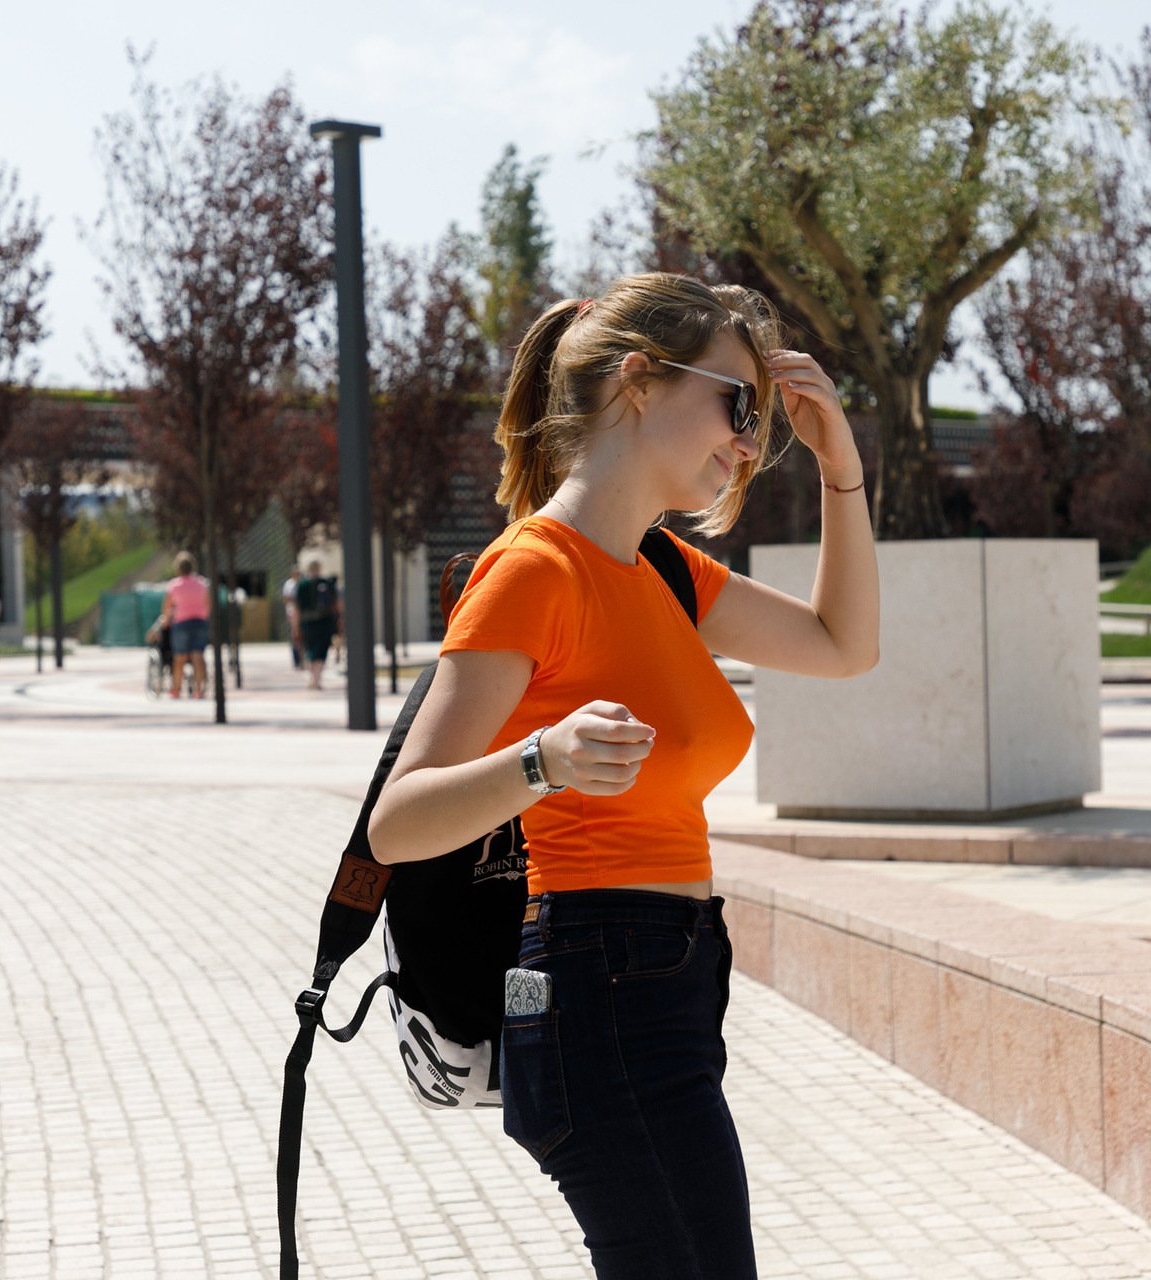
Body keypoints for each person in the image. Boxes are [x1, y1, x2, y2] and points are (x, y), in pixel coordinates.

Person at [366, 274, 879, 1279]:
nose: (748, 442)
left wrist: (841, 471)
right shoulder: (534, 569)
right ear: (640, 381)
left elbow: (843, 643)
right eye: (737, 404)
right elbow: (397, 823)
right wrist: (541, 759)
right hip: (595, 981)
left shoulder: (666, 571)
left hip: (671, 980)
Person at [155, 551, 211, 699]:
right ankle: (199, 690)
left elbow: (166, 608)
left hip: (181, 623)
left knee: (179, 658)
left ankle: (176, 689)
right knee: (198, 656)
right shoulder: (202, 584)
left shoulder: (174, 586)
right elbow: (208, 605)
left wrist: (166, 620)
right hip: (200, 622)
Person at [295, 562, 339, 691]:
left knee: (310, 650)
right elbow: (336, 605)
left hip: (308, 622)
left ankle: (313, 678)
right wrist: (339, 622)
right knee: (321, 651)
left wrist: (296, 626)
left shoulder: (302, 585)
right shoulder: (326, 583)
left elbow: (297, 608)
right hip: (325, 622)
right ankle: (317, 678)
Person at [282, 567, 303, 670]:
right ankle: (296, 659)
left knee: (302, 636)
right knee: (295, 636)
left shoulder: (302, 583)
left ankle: (303, 659)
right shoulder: (289, 584)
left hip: (302, 613)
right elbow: (286, 599)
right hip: (293, 612)